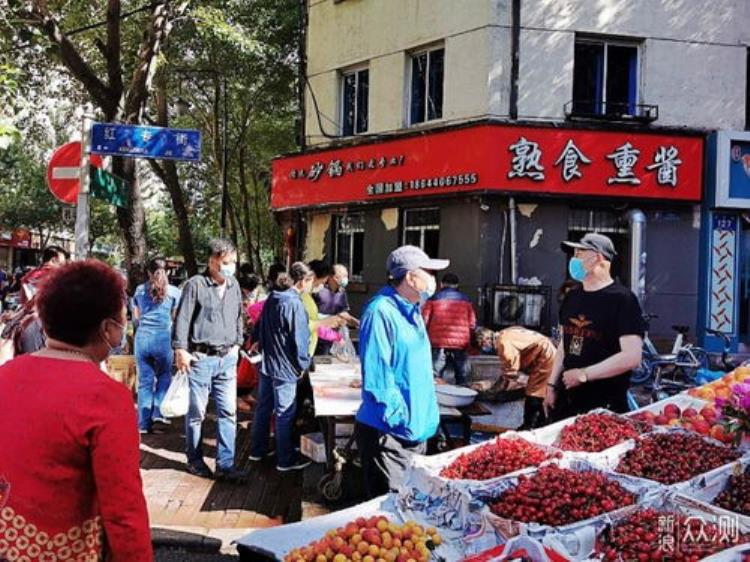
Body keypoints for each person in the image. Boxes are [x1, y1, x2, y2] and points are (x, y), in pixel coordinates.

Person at [0, 259, 152, 560]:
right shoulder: (107, 398)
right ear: (108, 328)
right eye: (122, 318)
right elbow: (124, 512)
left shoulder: (6, 375)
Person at [356, 245, 449, 498]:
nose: (434, 279)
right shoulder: (380, 312)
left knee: (412, 509)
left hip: (417, 431)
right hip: (391, 434)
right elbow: (378, 378)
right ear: (410, 277)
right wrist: (401, 421)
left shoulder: (413, 310)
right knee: (390, 514)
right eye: (429, 272)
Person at [544, 233, 644, 418]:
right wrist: (551, 385)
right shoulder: (571, 297)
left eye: (580, 253)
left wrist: (584, 374)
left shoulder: (623, 300)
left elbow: (632, 356)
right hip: (566, 403)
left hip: (605, 407)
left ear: (598, 257)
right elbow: (563, 346)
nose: (574, 259)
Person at [173, 239, 246, 481]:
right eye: (226, 262)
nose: (231, 267)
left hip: (227, 358)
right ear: (212, 261)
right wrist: (180, 349)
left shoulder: (234, 285)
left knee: (228, 412)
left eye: (233, 262)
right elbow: (182, 319)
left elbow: (238, 315)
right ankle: (194, 460)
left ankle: (226, 464)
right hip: (200, 359)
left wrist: (237, 342)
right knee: (197, 414)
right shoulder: (195, 285)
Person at [249, 262, 313, 471]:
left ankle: (257, 451)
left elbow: (258, 326)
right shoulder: (294, 304)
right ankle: (285, 459)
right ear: (303, 281)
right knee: (285, 412)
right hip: (285, 365)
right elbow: (300, 338)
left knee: (264, 407)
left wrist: (256, 340)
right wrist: (304, 364)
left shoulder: (273, 298)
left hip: (268, 362)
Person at [471, 326, 557, 429]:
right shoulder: (504, 334)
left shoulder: (502, 343)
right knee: (537, 390)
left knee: (534, 392)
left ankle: (530, 425)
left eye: (481, 345)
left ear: (486, 340)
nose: (483, 348)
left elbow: (511, 370)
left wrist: (496, 389)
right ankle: (538, 422)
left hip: (544, 357)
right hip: (542, 353)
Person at [133, 258, 181, 433]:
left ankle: (143, 424)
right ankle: (158, 412)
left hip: (143, 339)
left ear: (148, 273)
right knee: (164, 375)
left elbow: (136, 317)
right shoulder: (175, 292)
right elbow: (175, 319)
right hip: (163, 339)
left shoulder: (139, 290)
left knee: (145, 382)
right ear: (167, 271)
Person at [422, 272, 476, 385]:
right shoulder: (466, 301)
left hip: (438, 343)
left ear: (441, 284)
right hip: (460, 344)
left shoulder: (433, 300)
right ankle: (463, 398)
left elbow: (424, 321)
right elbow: (472, 323)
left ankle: (437, 399)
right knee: (463, 377)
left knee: (434, 376)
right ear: (457, 285)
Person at [313, 263, 360, 355]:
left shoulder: (341, 292)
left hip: (334, 336)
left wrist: (357, 323)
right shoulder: (318, 290)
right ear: (334, 277)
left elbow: (343, 312)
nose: (346, 279)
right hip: (318, 334)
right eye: (344, 276)